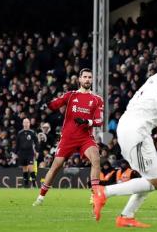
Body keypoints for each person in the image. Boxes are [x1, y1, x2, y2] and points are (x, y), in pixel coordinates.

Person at [95, 43, 157, 228]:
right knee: (154, 181)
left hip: (130, 125)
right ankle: (104, 191)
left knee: (149, 177)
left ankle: (126, 216)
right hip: (136, 129)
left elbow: (152, 107)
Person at [33, 68, 105, 208]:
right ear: (79, 79)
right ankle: (40, 197)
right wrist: (45, 103)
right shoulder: (70, 95)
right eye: (85, 77)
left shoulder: (97, 100)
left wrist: (87, 122)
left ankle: (94, 194)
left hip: (85, 137)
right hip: (68, 138)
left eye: (90, 77)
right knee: (55, 167)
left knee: (96, 157)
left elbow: (99, 121)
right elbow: (54, 105)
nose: (87, 79)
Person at [16, 118, 38, 188]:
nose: (26, 124)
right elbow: (17, 144)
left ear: (29, 123)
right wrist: (15, 153)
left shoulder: (32, 132)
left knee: (30, 167)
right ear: (23, 124)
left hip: (30, 152)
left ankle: (34, 183)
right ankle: (26, 184)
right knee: (24, 168)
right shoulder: (20, 133)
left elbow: (36, 142)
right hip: (22, 153)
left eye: (27, 122)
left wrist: (37, 151)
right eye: (24, 122)